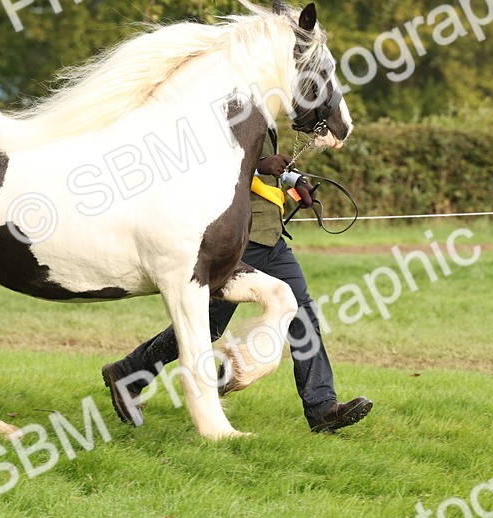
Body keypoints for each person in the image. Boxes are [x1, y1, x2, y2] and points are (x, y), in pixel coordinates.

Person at [101, 138, 371, 434]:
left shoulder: (263, 115)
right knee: (207, 325)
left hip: (272, 241)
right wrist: (259, 166)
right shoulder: (225, 111)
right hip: (235, 243)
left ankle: (322, 408)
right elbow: (208, 162)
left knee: (303, 314)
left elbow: (267, 162)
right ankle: (128, 374)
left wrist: (295, 181)